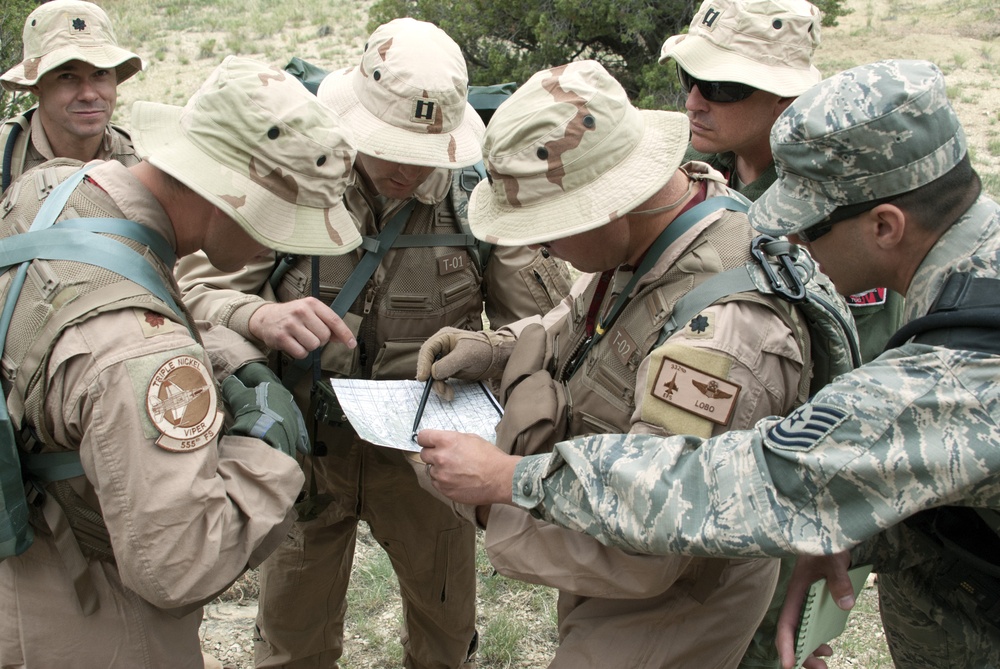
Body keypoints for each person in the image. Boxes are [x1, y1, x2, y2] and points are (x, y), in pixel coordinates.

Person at [417, 59, 1000, 669]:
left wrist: (506, 484)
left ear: (886, 226)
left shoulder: (955, 375)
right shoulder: (965, 291)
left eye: (803, 225)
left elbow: (722, 484)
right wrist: (842, 528)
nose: (779, 240)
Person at [175, 18, 570, 669]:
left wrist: (489, 362)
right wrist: (256, 315)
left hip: (427, 465)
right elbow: (195, 296)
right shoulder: (297, 181)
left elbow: (545, 330)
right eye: (389, 145)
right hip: (309, 456)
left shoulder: (478, 202)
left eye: (424, 149)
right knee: (290, 644)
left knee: (443, 640)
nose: (406, 166)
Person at [0, 55, 362, 668]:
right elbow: (180, 564)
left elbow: (121, 297)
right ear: (227, 198)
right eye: (280, 222)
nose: (279, 244)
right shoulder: (139, 352)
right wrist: (267, 452)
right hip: (94, 612)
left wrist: (221, 343)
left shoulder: (55, 189)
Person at [662, 0, 905, 364]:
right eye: (689, 78)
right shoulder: (691, 167)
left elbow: (852, 359)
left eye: (718, 87)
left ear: (784, 96)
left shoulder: (836, 208)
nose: (693, 102)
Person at [1, 0, 144, 193]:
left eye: (100, 73)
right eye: (67, 77)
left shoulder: (140, 160)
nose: (89, 94)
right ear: (36, 84)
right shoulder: (7, 159)